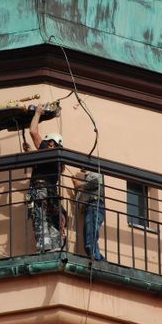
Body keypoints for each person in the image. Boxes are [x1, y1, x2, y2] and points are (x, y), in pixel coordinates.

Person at [27, 104, 66, 252]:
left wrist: (37, 113)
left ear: (50, 142)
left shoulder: (47, 149)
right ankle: (56, 247)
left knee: (40, 218)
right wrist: (31, 152)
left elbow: (33, 131)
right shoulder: (59, 160)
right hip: (52, 193)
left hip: (40, 190)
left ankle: (44, 249)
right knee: (52, 221)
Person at [72, 169, 105, 261]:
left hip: (94, 205)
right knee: (89, 242)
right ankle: (100, 261)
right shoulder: (87, 177)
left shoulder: (93, 171)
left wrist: (80, 184)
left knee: (90, 241)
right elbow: (80, 195)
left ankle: (99, 262)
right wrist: (77, 186)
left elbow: (95, 183)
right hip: (91, 207)